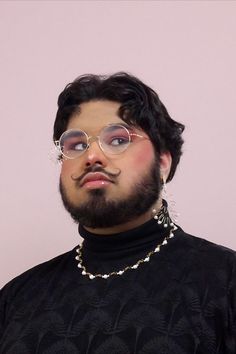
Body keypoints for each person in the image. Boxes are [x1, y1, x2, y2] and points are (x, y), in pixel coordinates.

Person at [0, 72, 235, 354]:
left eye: (118, 139)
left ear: (162, 163)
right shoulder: (17, 298)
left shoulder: (224, 282)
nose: (91, 156)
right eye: (76, 145)